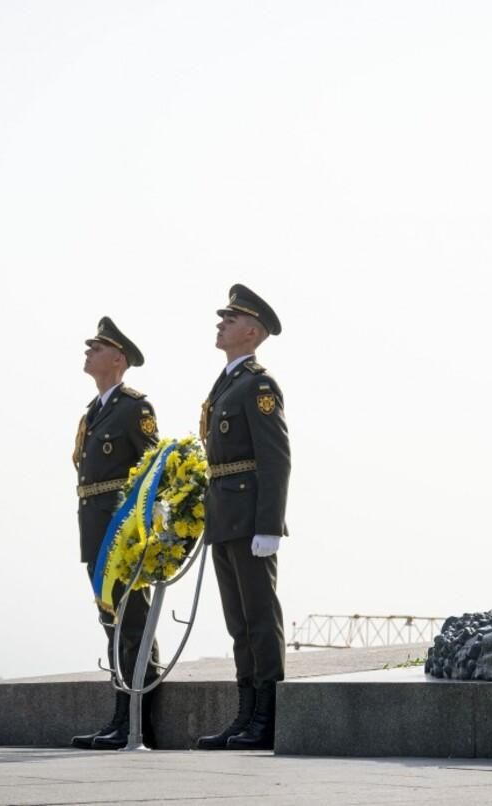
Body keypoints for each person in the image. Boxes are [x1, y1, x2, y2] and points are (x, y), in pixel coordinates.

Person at [196, 284, 291, 751]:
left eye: (229, 319)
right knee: (238, 623)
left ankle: (267, 719)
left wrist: (270, 525)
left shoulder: (258, 384)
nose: (220, 324)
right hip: (223, 517)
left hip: (251, 519)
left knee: (258, 619)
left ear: (251, 331)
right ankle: (245, 715)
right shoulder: (226, 383)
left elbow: (275, 458)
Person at [70, 317, 162, 750]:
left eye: (97, 347)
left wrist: (148, 530)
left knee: (133, 624)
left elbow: (152, 470)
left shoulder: (133, 408)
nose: (88, 351)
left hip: (122, 535)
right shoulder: (93, 412)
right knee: (111, 623)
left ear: (118, 359)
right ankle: (119, 717)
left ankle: (139, 721)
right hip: (95, 532)